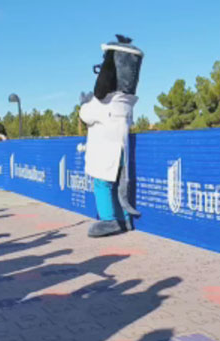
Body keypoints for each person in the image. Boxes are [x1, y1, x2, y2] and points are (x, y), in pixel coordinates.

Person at [80, 34, 143, 237]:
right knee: (119, 185)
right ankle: (125, 219)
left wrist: (85, 102)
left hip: (104, 152)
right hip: (121, 149)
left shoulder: (102, 102)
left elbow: (85, 115)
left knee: (102, 183)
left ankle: (109, 220)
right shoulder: (127, 102)